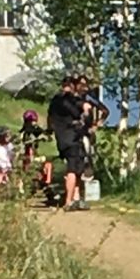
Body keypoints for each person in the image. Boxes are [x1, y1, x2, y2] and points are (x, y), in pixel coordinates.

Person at [46, 73, 88, 211]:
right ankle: (69, 201)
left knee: (75, 168)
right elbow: (77, 112)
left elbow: (49, 119)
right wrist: (84, 110)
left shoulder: (54, 101)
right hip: (72, 138)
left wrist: (50, 130)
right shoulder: (67, 100)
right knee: (73, 169)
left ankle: (76, 198)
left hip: (61, 139)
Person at [0, 126, 15, 192]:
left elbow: (12, 155)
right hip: (0, 165)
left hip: (7, 165)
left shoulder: (9, 145)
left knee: (7, 179)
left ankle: (6, 191)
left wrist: (12, 159)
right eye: (7, 136)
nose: (9, 138)